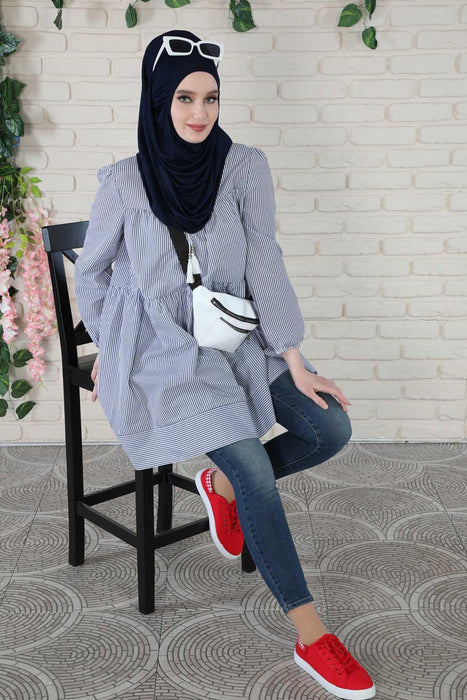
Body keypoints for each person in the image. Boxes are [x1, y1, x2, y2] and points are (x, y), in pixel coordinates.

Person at [74, 29, 376, 699]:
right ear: (158, 100)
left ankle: (224, 489)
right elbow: (90, 274)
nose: (199, 112)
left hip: (237, 335)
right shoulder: (123, 183)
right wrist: (111, 344)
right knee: (254, 469)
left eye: (210, 98)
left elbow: (264, 261)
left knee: (329, 427)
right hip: (166, 353)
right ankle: (311, 636)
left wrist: (293, 358)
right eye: (184, 97)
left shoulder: (244, 167)